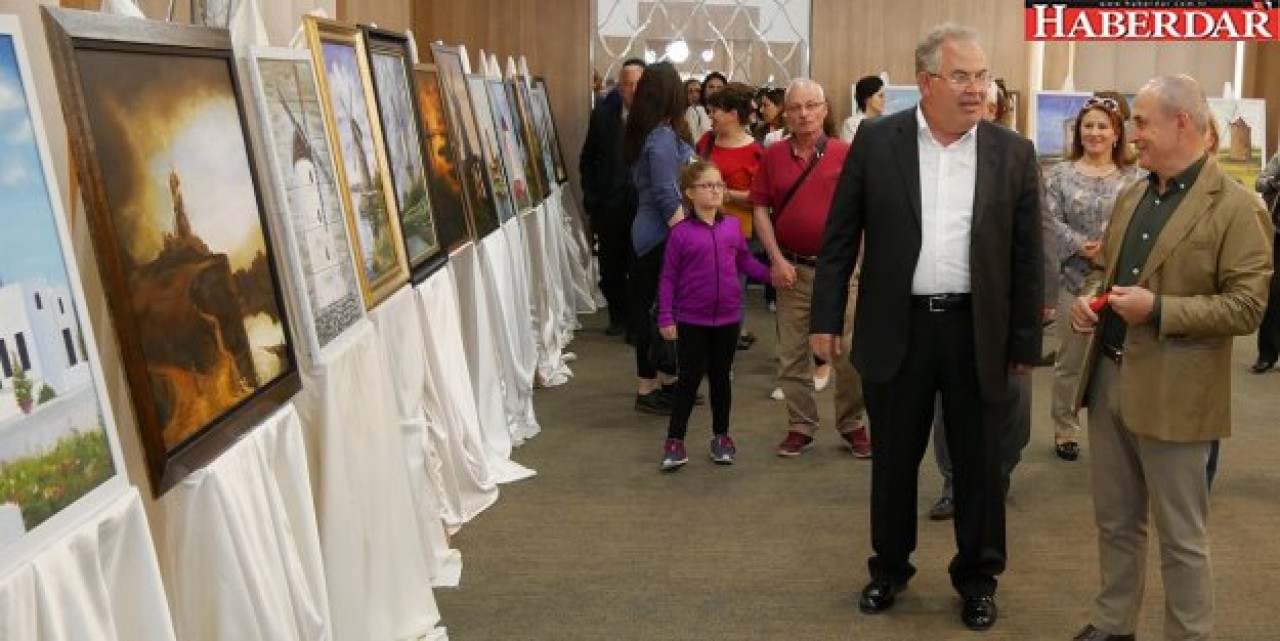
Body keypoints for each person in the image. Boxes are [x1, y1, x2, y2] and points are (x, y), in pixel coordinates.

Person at [810, 25, 1043, 631]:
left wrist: (1025, 341)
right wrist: (825, 319)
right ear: (925, 82)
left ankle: (978, 579)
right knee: (893, 461)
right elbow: (839, 238)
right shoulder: (876, 142)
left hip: (977, 332)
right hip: (898, 329)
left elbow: (1027, 255)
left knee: (980, 465)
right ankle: (889, 569)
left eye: (982, 76)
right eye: (960, 76)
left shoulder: (1012, 152)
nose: (976, 89)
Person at [1068, 74, 1272, 641]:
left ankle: (1188, 634)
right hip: (1108, 378)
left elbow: (1247, 307)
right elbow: (1101, 269)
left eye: (1141, 122)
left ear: (1182, 122)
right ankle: (1114, 624)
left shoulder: (1238, 207)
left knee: (1182, 536)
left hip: (1179, 393)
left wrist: (1159, 310)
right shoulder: (1132, 195)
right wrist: (1090, 299)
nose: (1130, 133)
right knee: (1115, 520)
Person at [926, 79, 1041, 521]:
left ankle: (998, 475)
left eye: (987, 105)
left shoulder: (1017, 156)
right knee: (947, 406)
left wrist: (1039, 305)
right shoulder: (938, 157)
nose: (977, 110)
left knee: (1012, 402)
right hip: (951, 309)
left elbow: (1035, 240)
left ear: (997, 111)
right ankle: (954, 482)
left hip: (1005, 310)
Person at [751, 77, 872, 459]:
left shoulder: (845, 153)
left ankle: (852, 424)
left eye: (811, 106)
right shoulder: (772, 155)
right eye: (795, 107)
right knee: (791, 355)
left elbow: (864, 213)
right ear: (785, 114)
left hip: (842, 273)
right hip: (793, 271)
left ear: (824, 110)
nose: (803, 114)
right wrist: (775, 259)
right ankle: (800, 426)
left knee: (850, 353)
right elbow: (760, 208)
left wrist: (860, 265)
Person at [1043, 95, 1143, 462]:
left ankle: (1120, 429)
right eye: (1088, 126)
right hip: (1073, 280)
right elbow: (1048, 221)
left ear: (1117, 133)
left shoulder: (1136, 178)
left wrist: (1112, 248)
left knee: (1121, 361)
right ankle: (1065, 428)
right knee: (1070, 361)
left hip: (1122, 284)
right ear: (1078, 132)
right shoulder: (1058, 174)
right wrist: (1079, 245)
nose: (1095, 133)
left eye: (1103, 126)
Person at [657, 161, 771, 470]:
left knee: (721, 378)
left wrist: (772, 276)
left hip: (728, 319)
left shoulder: (732, 226)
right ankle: (674, 441)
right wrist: (666, 316)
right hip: (691, 320)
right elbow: (668, 278)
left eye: (719, 184)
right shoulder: (680, 234)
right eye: (707, 185)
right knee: (689, 379)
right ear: (690, 193)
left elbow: (745, 262)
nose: (716, 190)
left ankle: (721, 436)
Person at [623, 61, 695, 415]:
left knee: (653, 310)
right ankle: (649, 386)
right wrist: (688, 239)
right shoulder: (662, 138)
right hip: (660, 235)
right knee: (657, 312)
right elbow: (668, 194)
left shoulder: (649, 132)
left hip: (649, 233)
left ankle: (662, 382)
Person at [697, 82, 765, 351]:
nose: (711, 116)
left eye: (715, 110)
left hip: (736, 234)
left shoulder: (756, 151)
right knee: (699, 289)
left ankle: (725, 352)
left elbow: (760, 197)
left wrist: (725, 194)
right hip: (700, 229)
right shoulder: (706, 141)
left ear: (733, 114)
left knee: (732, 291)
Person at [581, 58, 645, 338]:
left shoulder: (657, 119)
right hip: (609, 205)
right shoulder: (602, 116)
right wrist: (592, 196)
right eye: (627, 84)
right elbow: (588, 158)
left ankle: (637, 322)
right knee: (610, 267)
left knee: (639, 266)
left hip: (643, 208)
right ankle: (618, 316)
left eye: (638, 84)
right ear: (620, 87)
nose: (632, 90)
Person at [1251, 148, 1280, 373]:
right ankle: (1267, 354)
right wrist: (1272, 183)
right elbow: (1259, 183)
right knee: (1274, 293)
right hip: (1278, 234)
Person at [839, 75, 886, 142]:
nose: (884, 100)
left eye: (884, 96)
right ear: (867, 98)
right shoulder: (852, 124)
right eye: (880, 96)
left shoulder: (886, 122)